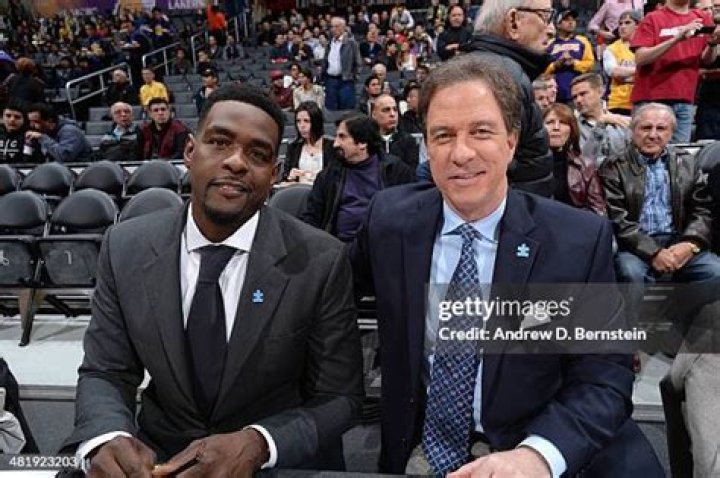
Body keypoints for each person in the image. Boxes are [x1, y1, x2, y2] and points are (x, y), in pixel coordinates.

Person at [351, 53, 664, 478]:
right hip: (420, 445)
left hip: (534, 440)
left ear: (511, 141)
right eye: (443, 135)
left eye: (481, 131)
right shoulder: (389, 220)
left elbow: (604, 376)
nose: (461, 153)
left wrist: (538, 455)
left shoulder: (576, 240)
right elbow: (323, 290)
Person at [63, 82, 364, 475]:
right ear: (190, 152)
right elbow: (106, 371)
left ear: (274, 174)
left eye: (258, 154)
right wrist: (107, 436)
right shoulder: (125, 247)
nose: (236, 162)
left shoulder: (321, 260)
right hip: (160, 461)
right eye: (220, 143)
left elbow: (339, 397)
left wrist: (261, 443)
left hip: (274, 466)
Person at [599, 102, 720, 324]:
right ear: (633, 130)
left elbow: (702, 209)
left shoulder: (687, 162)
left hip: (678, 241)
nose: (653, 135)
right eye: (646, 128)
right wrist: (654, 252)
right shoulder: (613, 166)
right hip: (635, 246)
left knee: (716, 273)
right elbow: (617, 219)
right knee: (630, 274)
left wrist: (690, 244)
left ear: (671, 133)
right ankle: (627, 333)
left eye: (661, 128)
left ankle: (672, 315)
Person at [449, 0, 555, 197]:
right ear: (513, 22)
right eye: (545, 16)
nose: (551, 30)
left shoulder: (481, 68)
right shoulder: (507, 77)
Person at [301, 113, 414, 242]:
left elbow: (411, 214)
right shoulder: (329, 175)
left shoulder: (395, 171)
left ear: (362, 143)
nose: (335, 144)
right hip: (340, 247)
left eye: (342, 137)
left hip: (383, 245)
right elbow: (311, 218)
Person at [631, 0, 720, 143]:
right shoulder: (652, 18)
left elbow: (707, 60)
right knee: (645, 150)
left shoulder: (702, 18)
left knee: (679, 153)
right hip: (651, 99)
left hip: (684, 99)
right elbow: (641, 58)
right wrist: (677, 38)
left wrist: (712, 44)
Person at [543, 103, 606, 215]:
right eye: (550, 122)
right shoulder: (528, 164)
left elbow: (598, 210)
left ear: (572, 130)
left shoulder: (586, 166)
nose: (556, 127)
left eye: (563, 123)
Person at [570, 73, 631, 166]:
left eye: (583, 94)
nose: (578, 100)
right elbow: (585, 161)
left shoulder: (622, 123)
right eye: (575, 97)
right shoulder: (572, 128)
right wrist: (600, 125)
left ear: (600, 91)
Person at [545, 9, 596, 104]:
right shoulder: (549, 44)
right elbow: (542, 68)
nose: (571, 22)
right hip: (554, 93)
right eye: (566, 20)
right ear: (558, 24)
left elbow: (590, 64)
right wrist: (556, 65)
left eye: (573, 20)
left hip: (577, 93)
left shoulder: (582, 41)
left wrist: (573, 63)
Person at [283, 101, 335, 183]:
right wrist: (290, 177)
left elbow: (336, 178)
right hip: (299, 189)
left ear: (316, 122)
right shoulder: (293, 147)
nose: (302, 126)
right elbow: (285, 176)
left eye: (306, 121)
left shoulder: (331, 146)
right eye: (298, 121)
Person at [26, 103, 93, 163]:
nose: (31, 125)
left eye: (36, 122)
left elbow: (65, 157)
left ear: (49, 121)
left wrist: (42, 138)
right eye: (30, 121)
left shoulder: (70, 131)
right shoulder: (45, 132)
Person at [603, 9, 640, 116]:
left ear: (638, 26)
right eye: (620, 24)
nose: (622, 27)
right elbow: (615, 72)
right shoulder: (611, 49)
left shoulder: (646, 46)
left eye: (627, 23)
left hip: (642, 101)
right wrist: (640, 72)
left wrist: (627, 74)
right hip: (618, 104)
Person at [323, 17, 362, 110]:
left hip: (346, 81)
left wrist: (354, 77)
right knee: (331, 108)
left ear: (343, 27)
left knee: (346, 109)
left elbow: (358, 63)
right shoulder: (329, 43)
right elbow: (326, 60)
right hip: (330, 80)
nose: (333, 29)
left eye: (336, 26)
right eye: (332, 27)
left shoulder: (351, 43)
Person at [371, 94, 420, 169]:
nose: (392, 114)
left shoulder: (408, 141)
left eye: (395, 109)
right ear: (374, 114)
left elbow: (411, 172)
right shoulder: (368, 142)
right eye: (386, 110)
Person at [695, 0, 720, 139]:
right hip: (709, 100)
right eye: (713, 6)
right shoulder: (700, 31)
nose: (715, 9)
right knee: (707, 145)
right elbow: (703, 62)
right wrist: (713, 43)